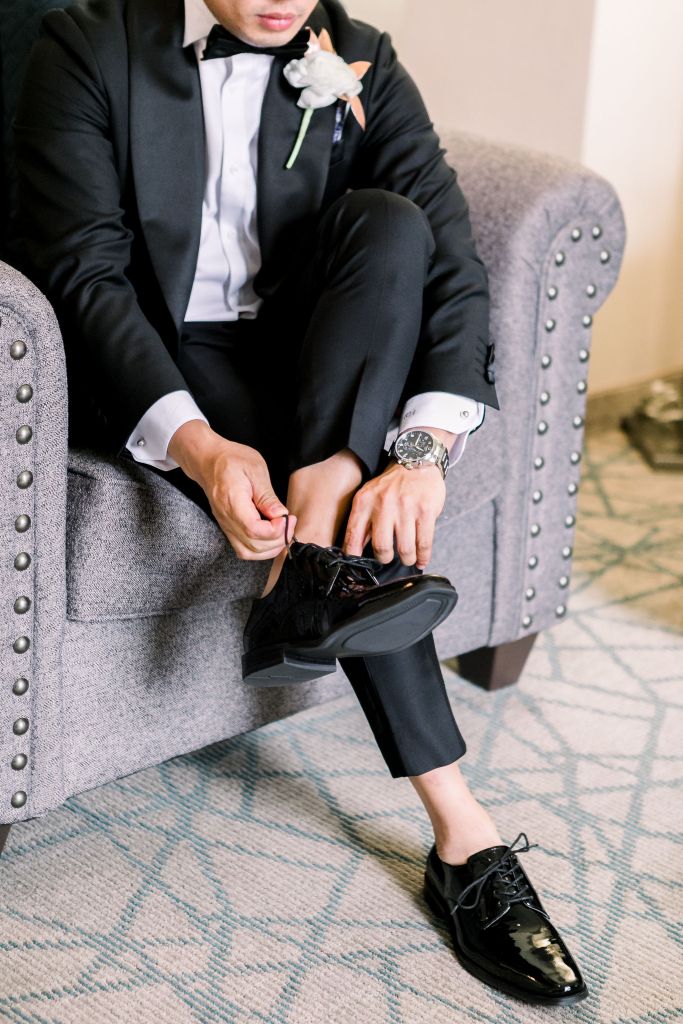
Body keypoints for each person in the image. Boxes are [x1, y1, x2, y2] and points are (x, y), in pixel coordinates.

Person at [9, 0, 587, 1005]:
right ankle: (463, 830)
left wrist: (419, 452)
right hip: (162, 358)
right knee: (341, 468)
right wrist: (199, 449)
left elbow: (447, 258)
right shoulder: (88, 46)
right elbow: (85, 274)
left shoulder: (354, 55)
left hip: (308, 351)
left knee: (392, 222)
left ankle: (311, 557)